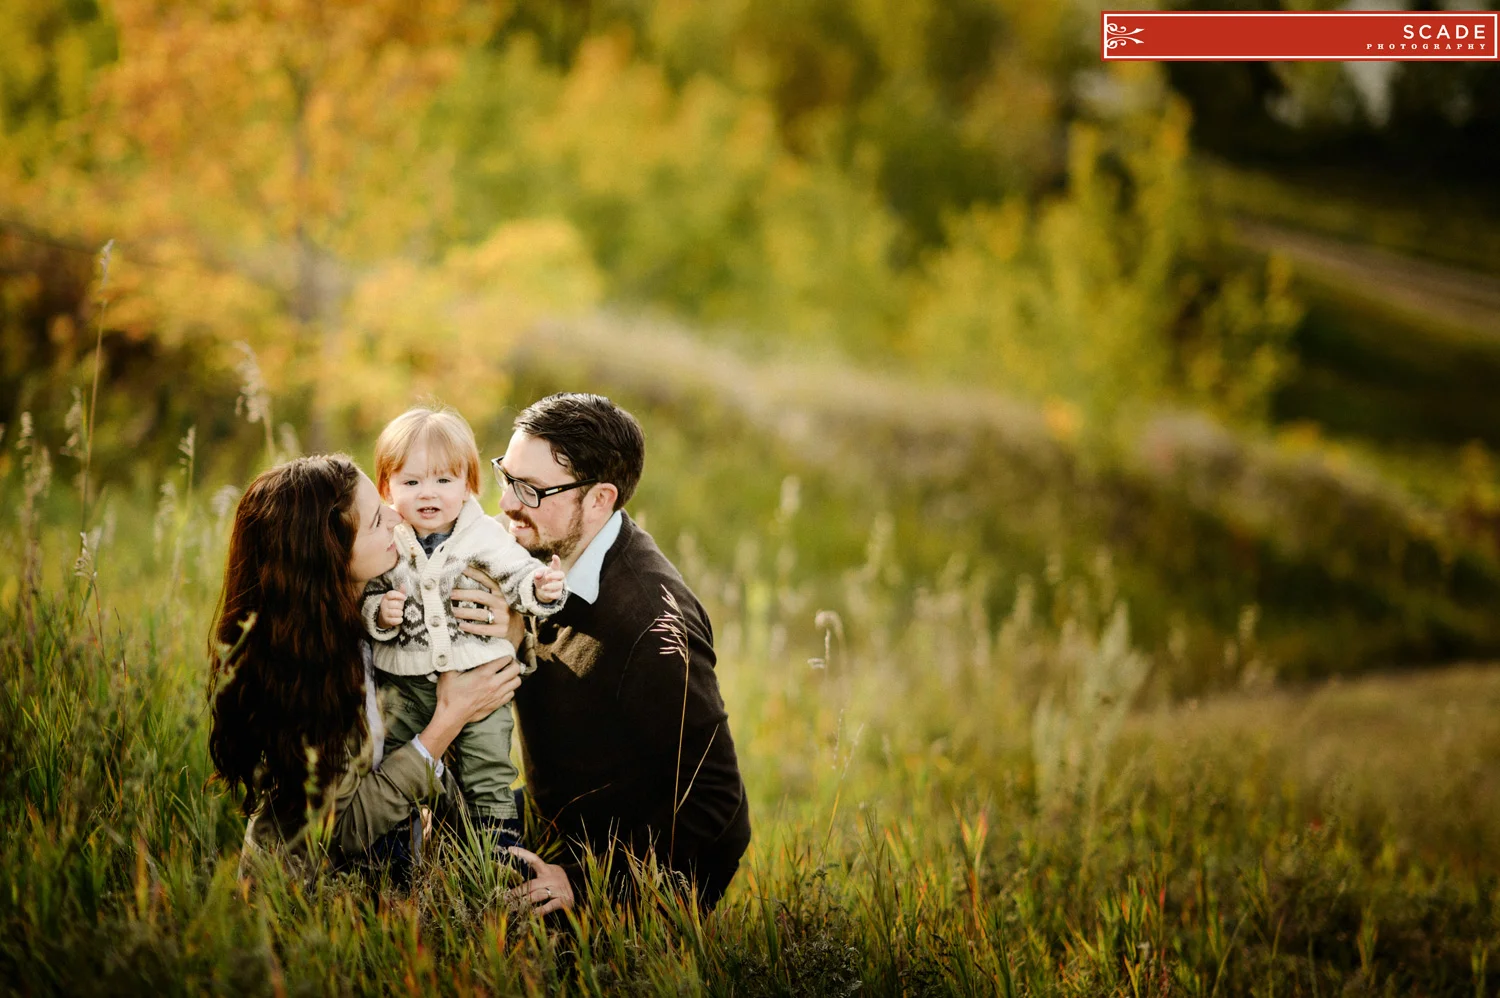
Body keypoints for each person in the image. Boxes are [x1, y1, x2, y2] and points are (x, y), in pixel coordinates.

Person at [454, 393, 751, 914]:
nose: (507, 504)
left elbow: (717, 803)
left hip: (621, 875)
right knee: (409, 837)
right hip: (559, 818)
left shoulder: (651, 627)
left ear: (599, 500)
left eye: (532, 489)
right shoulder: (536, 556)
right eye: (507, 477)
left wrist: (588, 888)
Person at [208, 454, 525, 878]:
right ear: (330, 554)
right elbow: (345, 829)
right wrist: (450, 718)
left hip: (395, 852)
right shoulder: (305, 673)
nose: (397, 516)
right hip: (311, 900)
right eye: (376, 520)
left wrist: (512, 625)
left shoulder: (369, 606)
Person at [360, 405, 567, 851]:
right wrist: (380, 614)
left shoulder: (483, 536)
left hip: (478, 678)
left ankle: (495, 851)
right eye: (410, 482)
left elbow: (517, 576)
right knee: (393, 758)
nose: (427, 494)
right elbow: (366, 596)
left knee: (487, 765)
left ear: (468, 484)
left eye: (443, 481)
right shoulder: (389, 539)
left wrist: (542, 588)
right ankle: (395, 852)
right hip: (404, 681)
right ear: (387, 488)